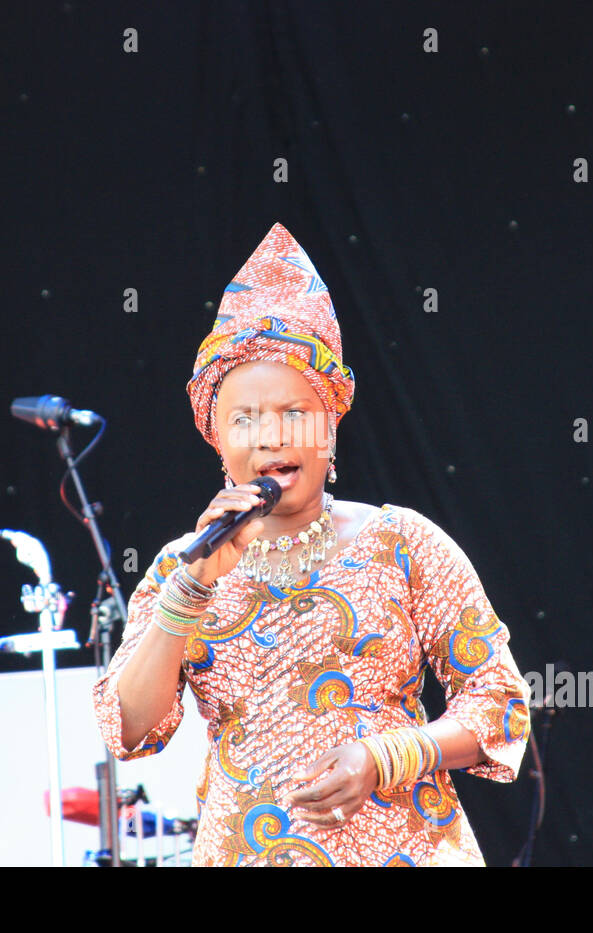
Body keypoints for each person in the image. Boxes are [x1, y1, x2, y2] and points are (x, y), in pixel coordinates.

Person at [92, 223, 531, 866]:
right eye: (243, 419)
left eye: (294, 413)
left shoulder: (402, 542)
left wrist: (386, 756)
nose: (269, 437)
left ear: (331, 420)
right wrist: (191, 589)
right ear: (215, 437)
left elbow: (500, 702)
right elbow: (129, 731)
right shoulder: (180, 567)